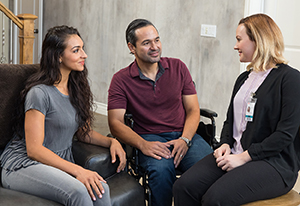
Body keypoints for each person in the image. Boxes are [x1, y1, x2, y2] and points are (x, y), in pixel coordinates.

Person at [173, 13, 300, 206]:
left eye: (239, 39)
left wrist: (243, 157)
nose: (235, 46)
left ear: (257, 40)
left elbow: (285, 135)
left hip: (273, 163)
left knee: (215, 199)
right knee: (183, 187)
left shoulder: (290, 79)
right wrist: (224, 144)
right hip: (235, 153)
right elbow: (230, 121)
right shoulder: (244, 78)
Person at [0, 25, 126, 206]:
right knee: (80, 192)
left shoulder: (76, 89)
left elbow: (82, 132)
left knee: (101, 189)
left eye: (82, 48)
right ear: (59, 56)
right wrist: (79, 171)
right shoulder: (39, 93)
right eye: (76, 50)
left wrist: (112, 141)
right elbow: (34, 150)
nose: (84, 55)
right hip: (24, 165)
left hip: (53, 163)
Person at [107, 18, 213, 206]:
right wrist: (142, 144)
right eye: (146, 43)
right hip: (149, 138)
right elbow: (115, 122)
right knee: (162, 172)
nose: (154, 47)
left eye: (157, 40)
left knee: (210, 167)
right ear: (132, 48)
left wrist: (185, 139)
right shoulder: (121, 80)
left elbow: (193, 109)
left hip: (184, 135)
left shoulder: (178, 67)